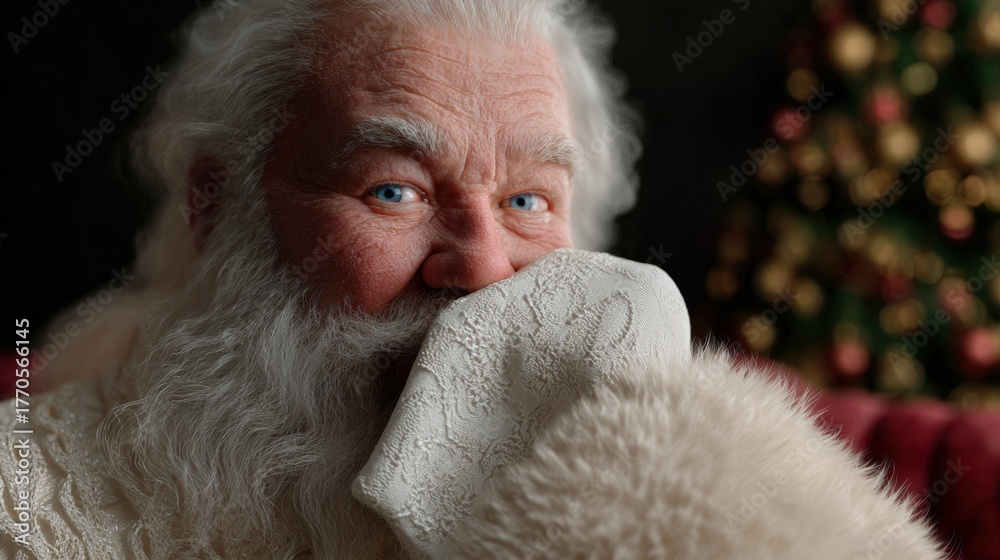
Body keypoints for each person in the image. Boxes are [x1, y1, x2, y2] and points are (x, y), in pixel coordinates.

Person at [1, 1, 944, 559]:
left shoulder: (692, 460)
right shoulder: (25, 506)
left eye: (530, 202)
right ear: (219, 205)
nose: (485, 268)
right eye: (394, 188)